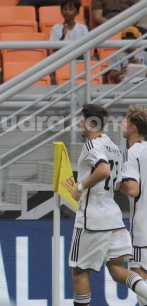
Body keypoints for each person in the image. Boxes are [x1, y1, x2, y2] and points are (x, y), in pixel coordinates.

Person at [69, 103, 147, 306]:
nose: (79, 122)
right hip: (114, 216)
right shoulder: (114, 146)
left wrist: (80, 186)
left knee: (79, 272)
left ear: (92, 123)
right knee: (118, 270)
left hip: (92, 216)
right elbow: (118, 180)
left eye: (82, 119)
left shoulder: (92, 145)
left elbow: (103, 170)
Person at [118, 105, 147, 306]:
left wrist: (116, 181)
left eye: (125, 120)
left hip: (142, 228)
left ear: (133, 128)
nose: (122, 123)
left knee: (141, 284)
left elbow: (133, 190)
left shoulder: (132, 153)